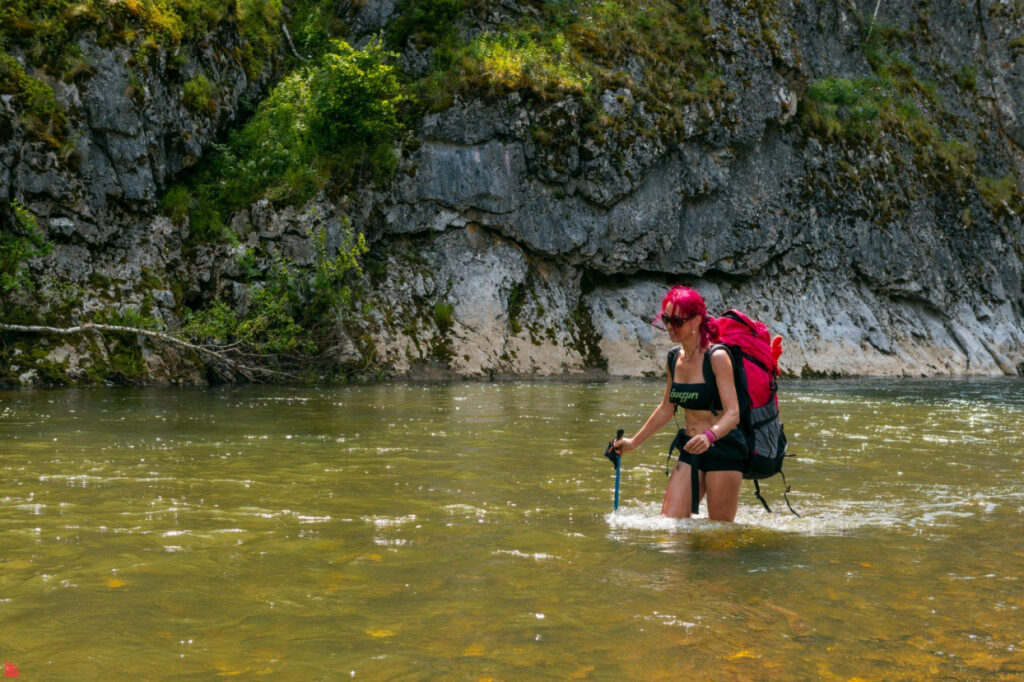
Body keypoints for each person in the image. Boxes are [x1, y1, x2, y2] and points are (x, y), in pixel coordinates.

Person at [613, 286, 746, 522]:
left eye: (677, 320)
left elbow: (733, 413)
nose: (670, 327)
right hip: (690, 449)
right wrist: (633, 442)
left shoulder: (717, 358)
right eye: (666, 319)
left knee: (719, 540)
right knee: (670, 528)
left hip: (723, 448)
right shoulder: (674, 358)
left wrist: (709, 436)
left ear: (696, 320)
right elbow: (667, 407)